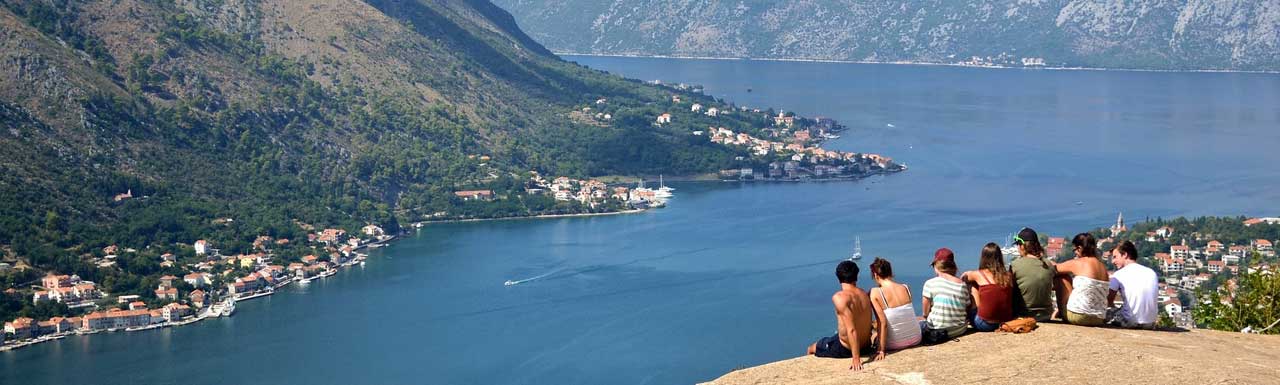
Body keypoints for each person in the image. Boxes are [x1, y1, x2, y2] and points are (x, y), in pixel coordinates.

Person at [807, 260, 878, 371]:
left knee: (811, 348)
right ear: (856, 276)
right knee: (832, 338)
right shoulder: (864, 293)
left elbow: (852, 330)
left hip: (846, 348)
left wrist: (856, 358)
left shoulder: (840, 298)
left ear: (838, 278)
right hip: (866, 345)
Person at [1053, 233, 1110, 326]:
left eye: (1074, 250)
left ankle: (1061, 311)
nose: (1075, 252)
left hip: (1078, 316)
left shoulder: (1079, 263)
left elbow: (1054, 269)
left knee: (1062, 278)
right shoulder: (1103, 267)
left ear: (1079, 248)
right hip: (1099, 318)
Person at [868, 257, 922, 351]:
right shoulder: (906, 287)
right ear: (890, 272)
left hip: (894, 344)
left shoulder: (875, 293)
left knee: (874, 336)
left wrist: (881, 350)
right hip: (917, 339)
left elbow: (882, 323)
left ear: (875, 275)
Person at [961, 243, 1014, 332]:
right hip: (1006, 321)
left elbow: (963, 277)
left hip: (985, 324)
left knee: (972, 285)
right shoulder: (1008, 275)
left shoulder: (979, 274)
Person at [920, 248, 971, 339]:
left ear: (936, 266)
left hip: (938, 330)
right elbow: (966, 308)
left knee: (919, 325)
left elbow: (925, 313)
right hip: (960, 329)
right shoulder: (962, 284)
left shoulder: (930, 283)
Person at [1107, 240, 1159, 329]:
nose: (1113, 261)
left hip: (1129, 321)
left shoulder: (1119, 274)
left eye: (1115, 257)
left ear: (1125, 255)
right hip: (1150, 323)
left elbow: (1108, 301)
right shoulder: (1151, 272)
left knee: (1104, 312)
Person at [1009, 227, 1055, 321]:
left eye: (1018, 244)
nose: (1017, 247)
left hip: (1023, 315)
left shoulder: (1015, 265)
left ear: (1022, 246)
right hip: (1046, 315)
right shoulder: (1048, 264)